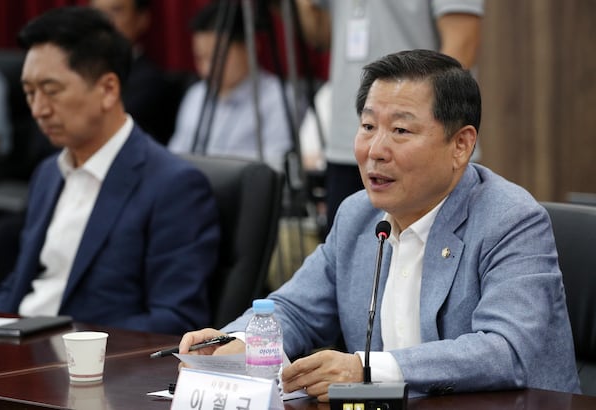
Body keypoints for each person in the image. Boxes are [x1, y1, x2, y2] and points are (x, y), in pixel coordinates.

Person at [177, 50, 580, 399]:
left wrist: (366, 369)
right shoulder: (358, 215)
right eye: (368, 126)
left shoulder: (511, 220)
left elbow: (506, 351)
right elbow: (295, 310)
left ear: (461, 145)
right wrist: (238, 341)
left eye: (400, 130)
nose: (375, 150)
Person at [0, 6, 221, 335]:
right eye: (30, 93)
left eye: (51, 91)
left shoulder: (173, 185)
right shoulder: (48, 174)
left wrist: (69, 345)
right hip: (19, 344)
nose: (38, 109)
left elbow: (174, 319)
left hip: (86, 356)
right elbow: (17, 286)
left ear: (108, 90)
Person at [294, 0, 484, 233]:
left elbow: (463, 43)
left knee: (434, 249)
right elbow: (320, 34)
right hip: (346, 142)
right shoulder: (351, 203)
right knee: (353, 249)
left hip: (417, 145)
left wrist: (413, 123)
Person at [168, 0, 295, 173]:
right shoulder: (196, 95)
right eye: (200, 58)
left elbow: (275, 169)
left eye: (217, 58)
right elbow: (174, 157)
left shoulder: (278, 99)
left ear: (250, 47)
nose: (207, 69)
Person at [90, 0, 182, 145]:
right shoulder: (77, 73)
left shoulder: (151, 82)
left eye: (116, 11)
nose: (105, 21)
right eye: (97, 13)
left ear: (142, 19)